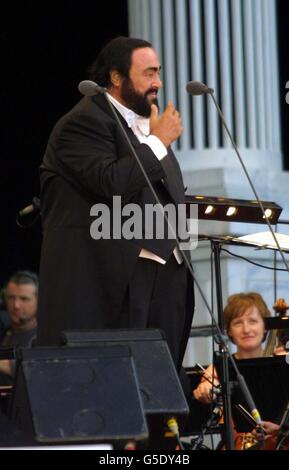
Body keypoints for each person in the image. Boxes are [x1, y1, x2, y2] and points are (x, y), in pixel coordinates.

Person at [37, 36, 194, 370]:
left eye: (159, 72)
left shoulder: (146, 125)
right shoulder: (81, 123)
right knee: (125, 383)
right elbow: (111, 182)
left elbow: (170, 193)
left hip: (168, 269)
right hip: (121, 277)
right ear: (117, 77)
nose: (159, 82)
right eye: (149, 73)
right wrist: (158, 141)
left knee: (161, 380)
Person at [193, 292, 281, 449]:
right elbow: (205, 387)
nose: (246, 329)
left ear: (265, 327)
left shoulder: (280, 364)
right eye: (238, 323)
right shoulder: (219, 368)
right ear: (229, 331)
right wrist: (205, 390)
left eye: (253, 321)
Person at [0, 271, 38, 378]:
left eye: (24, 299)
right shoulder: (4, 331)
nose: (16, 305)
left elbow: (30, 370)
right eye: (11, 297)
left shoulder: (45, 336)